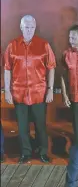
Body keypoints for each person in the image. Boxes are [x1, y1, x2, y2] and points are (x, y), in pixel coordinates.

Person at [3, 15, 56, 164]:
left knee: (40, 125)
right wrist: (7, 90)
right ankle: (25, 153)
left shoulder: (44, 45)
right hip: (19, 93)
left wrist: (50, 89)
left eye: (32, 27)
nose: (29, 30)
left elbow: (51, 67)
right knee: (22, 126)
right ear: (21, 27)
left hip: (39, 92)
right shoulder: (12, 46)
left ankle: (43, 152)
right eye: (26, 27)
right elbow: (7, 69)